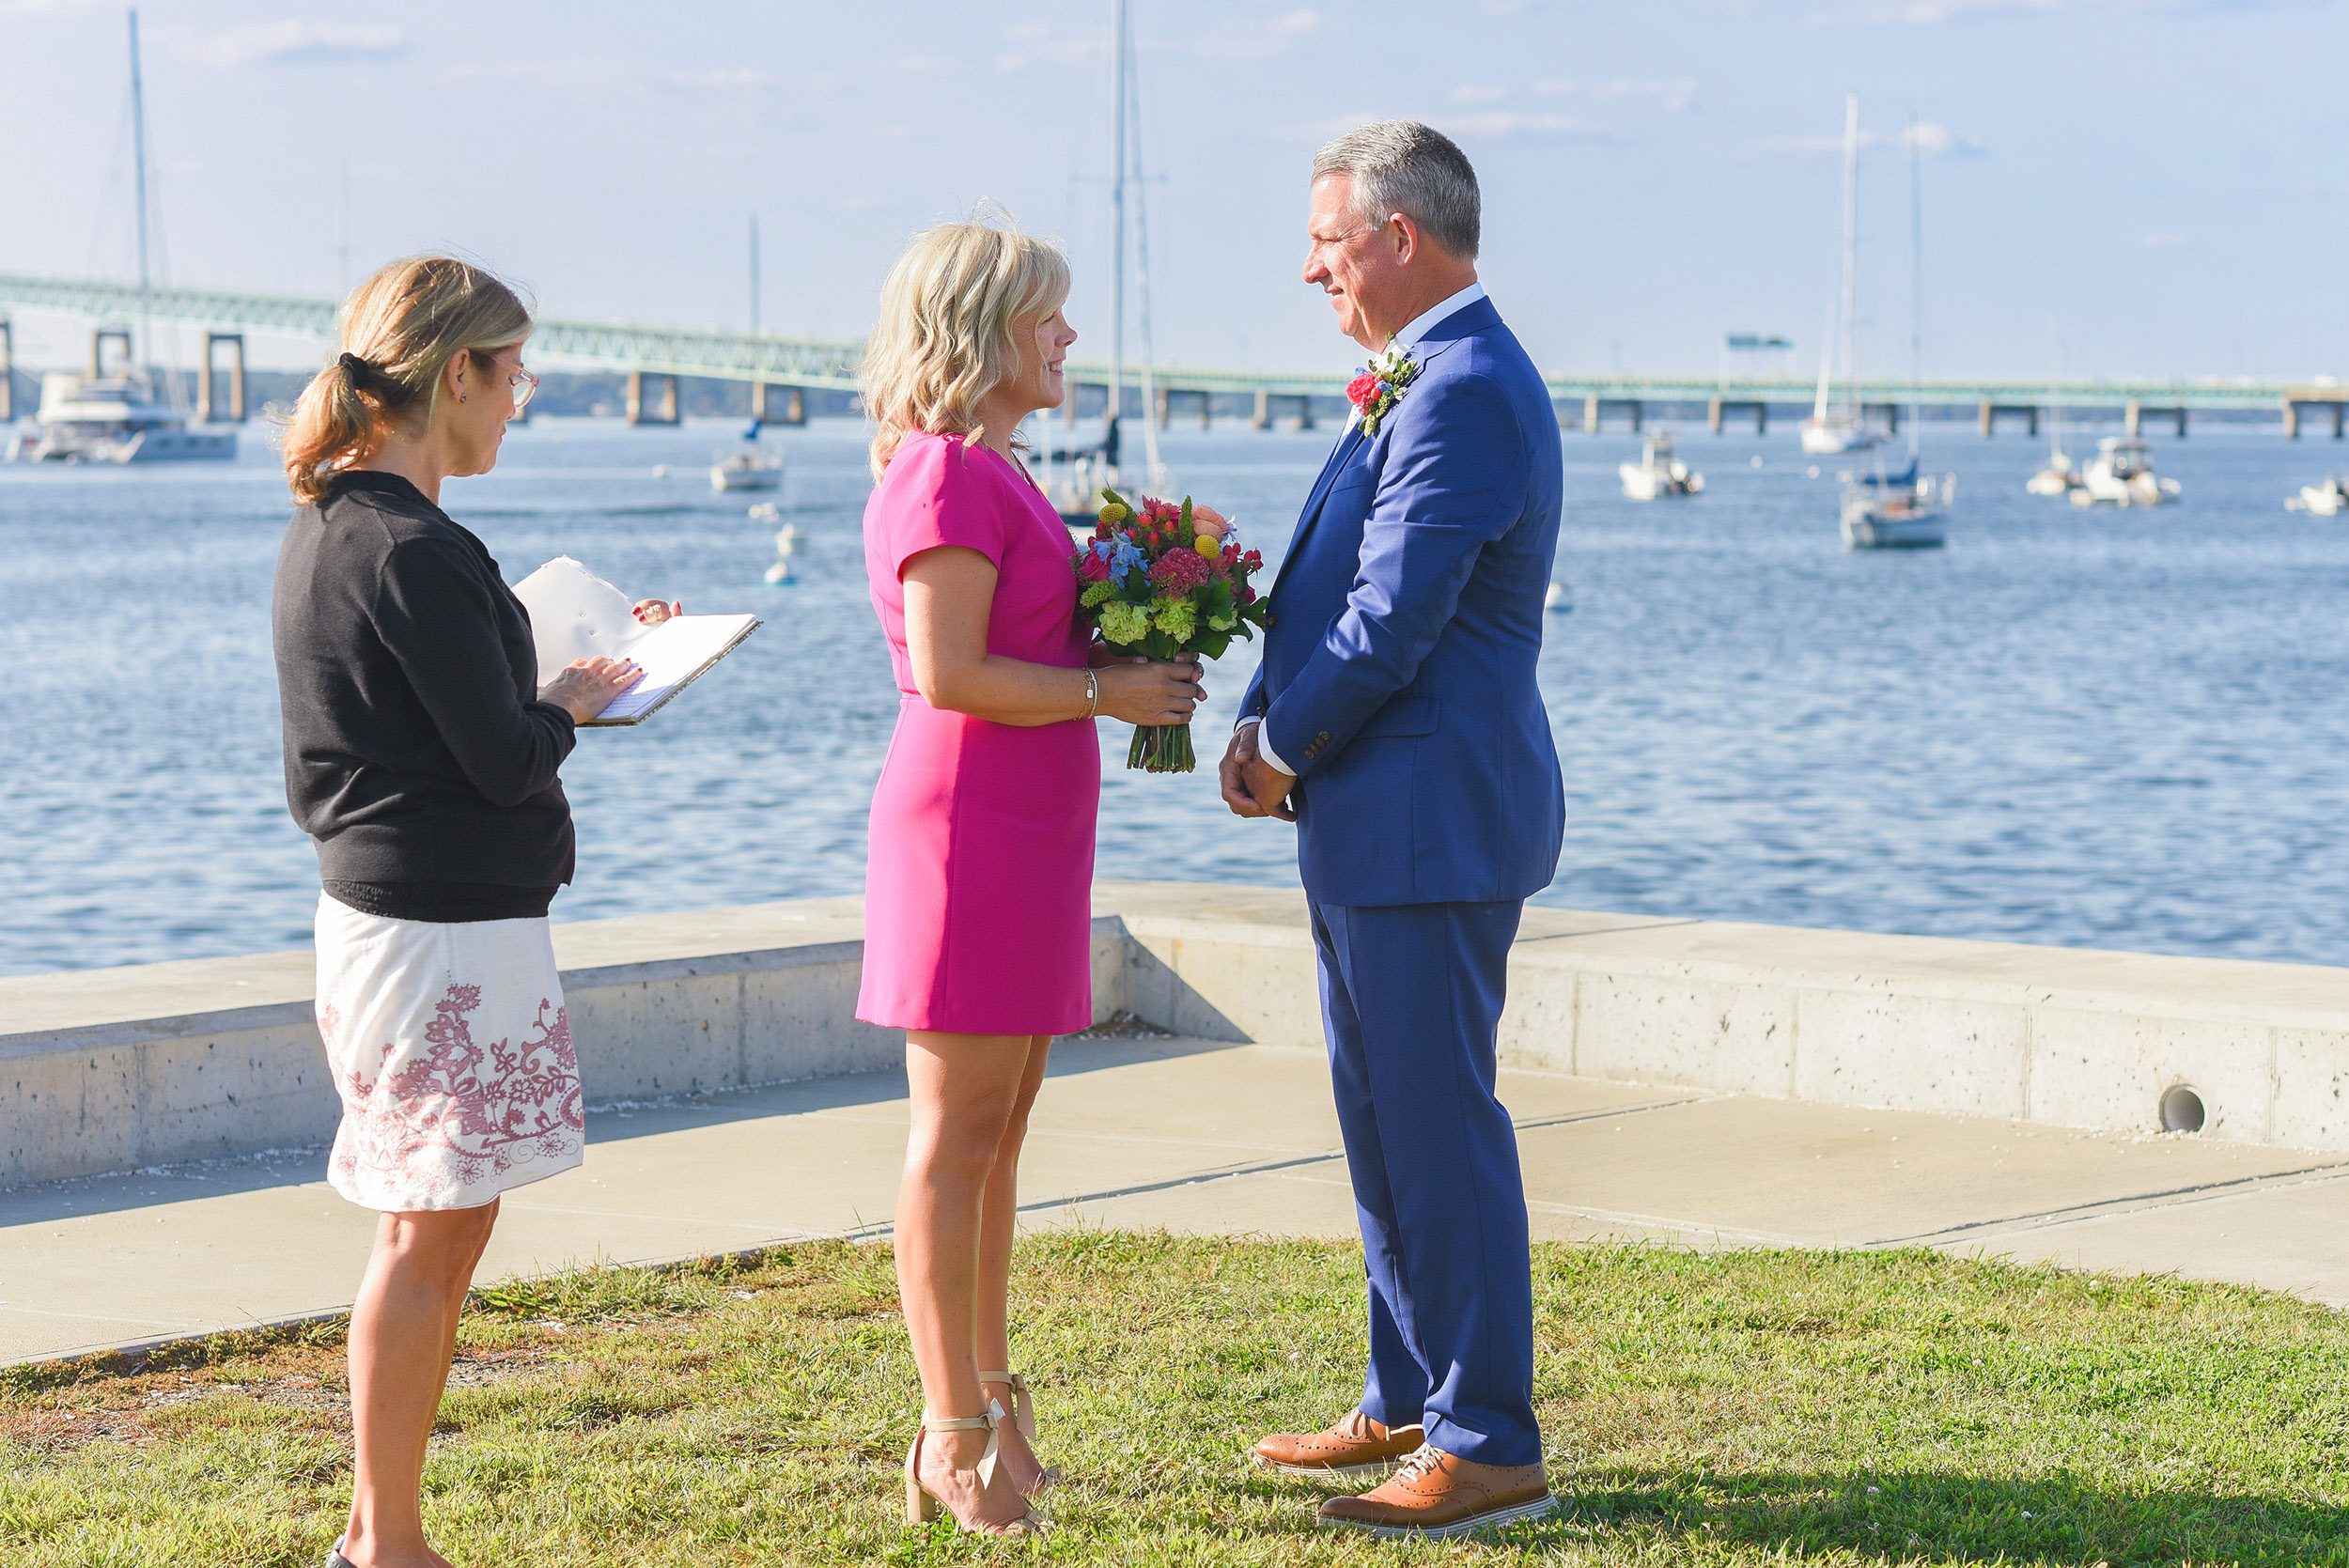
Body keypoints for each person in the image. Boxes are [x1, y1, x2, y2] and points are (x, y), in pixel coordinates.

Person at [272, 256, 674, 1568]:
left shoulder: (340, 529)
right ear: (457, 374)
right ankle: (384, 1543)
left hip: (404, 925)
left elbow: (437, 727)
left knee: (435, 1225)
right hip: (436, 935)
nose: (521, 400)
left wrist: (577, 675)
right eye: (514, 373)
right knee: (428, 1232)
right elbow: (502, 753)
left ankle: (382, 1531)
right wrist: (567, 704)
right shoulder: (413, 546)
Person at [1220, 122, 1567, 1539]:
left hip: (1426, 819)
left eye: (1326, 239)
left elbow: (1396, 616)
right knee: (1382, 1123)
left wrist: (1280, 742)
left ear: (1400, 237)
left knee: (1438, 1130)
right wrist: (1263, 722)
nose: (1310, 267)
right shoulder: (1420, 381)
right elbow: (1338, 589)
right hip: (1377, 819)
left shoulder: (1466, 387)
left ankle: (1487, 1439)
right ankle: (1412, 1392)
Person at [855, 216, 1202, 1537]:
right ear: (984, 331)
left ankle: (991, 1393)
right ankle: (951, 1431)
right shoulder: (944, 473)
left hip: (1029, 829)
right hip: (967, 833)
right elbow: (947, 672)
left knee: (1000, 1135)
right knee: (954, 1142)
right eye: (1046, 316)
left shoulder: (992, 465)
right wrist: (1109, 689)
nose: (1066, 337)